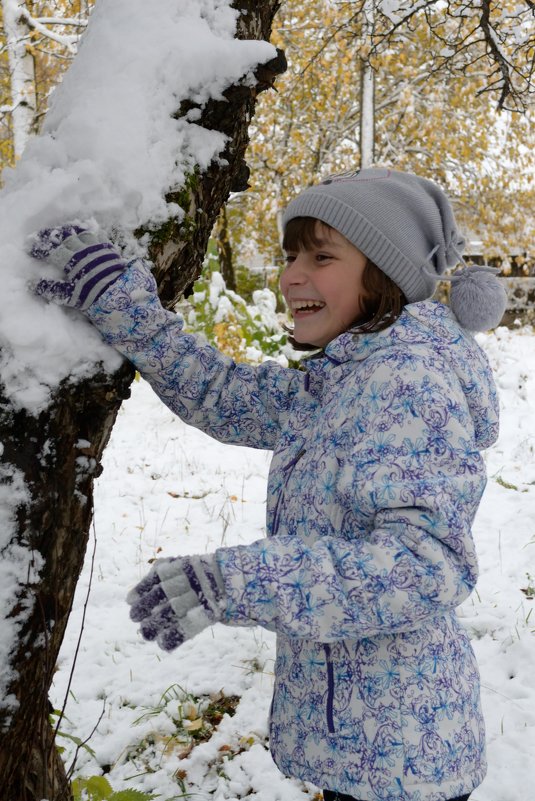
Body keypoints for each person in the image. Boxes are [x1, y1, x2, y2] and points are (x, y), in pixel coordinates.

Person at [31, 167, 507, 801]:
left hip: (402, 762)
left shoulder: (405, 383)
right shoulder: (345, 376)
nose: (291, 275)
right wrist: (123, 305)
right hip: (372, 747)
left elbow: (426, 567)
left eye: (322, 255)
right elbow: (223, 395)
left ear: (386, 273)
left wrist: (238, 582)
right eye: (290, 255)